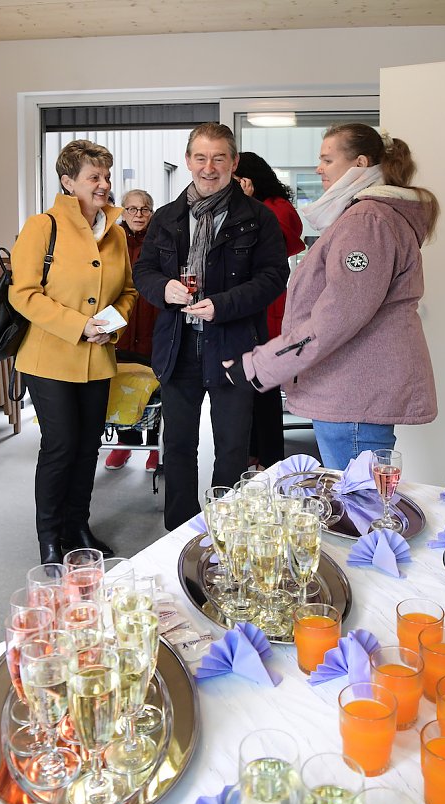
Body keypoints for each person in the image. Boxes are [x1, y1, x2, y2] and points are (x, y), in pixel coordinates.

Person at [223, 123, 438, 471]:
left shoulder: (367, 221)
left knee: (360, 510)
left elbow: (337, 316)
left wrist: (260, 365)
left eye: (327, 159)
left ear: (360, 164)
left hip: (354, 392)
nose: (319, 168)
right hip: (353, 387)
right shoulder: (367, 216)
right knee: (361, 505)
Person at [133, 122, 289, 530]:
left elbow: (274, 278)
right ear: (188, 161)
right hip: (178, 346)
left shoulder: (258, 218)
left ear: (234, 163)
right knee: (179, 445)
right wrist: (162, 288)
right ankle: (180, 533)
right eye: (200, 157)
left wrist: (221, 305)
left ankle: (227, 531)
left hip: (234, 346)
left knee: (233, 447)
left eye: (219, 157)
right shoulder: (166, 218)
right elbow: (144, 271)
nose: (208, 167)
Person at [9, 140, 137, 563]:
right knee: (61, 445)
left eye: (105, 176)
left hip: (98, 358)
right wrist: (79, 325)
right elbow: (23, 294)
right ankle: (49, 536)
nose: (103, 185)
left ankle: (78, 526)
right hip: (49, 358)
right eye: (93, 177)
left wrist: (111, 325)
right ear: (68, 182)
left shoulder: (116, 233)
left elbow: (129, 293)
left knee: (87, 448)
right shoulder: (41, 227)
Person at [234, 152, 305, 470]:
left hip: (270, 303)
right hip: (247, 303)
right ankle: (250, 451)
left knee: (264, 383)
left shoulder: (276, 208)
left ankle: (271, 457)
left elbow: (268, 246)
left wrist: (248, 205)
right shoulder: (257, 206)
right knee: (246, 384)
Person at [105, 189, 161, 472]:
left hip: (153, 321)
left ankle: (155, 446)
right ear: (123, 212)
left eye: (145, 209)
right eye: (132, 209)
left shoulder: (161, 239)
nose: (139, 215)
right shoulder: (110, 240)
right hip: (122, 325)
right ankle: (125, 443)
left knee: (155, 390)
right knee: (120, 384)